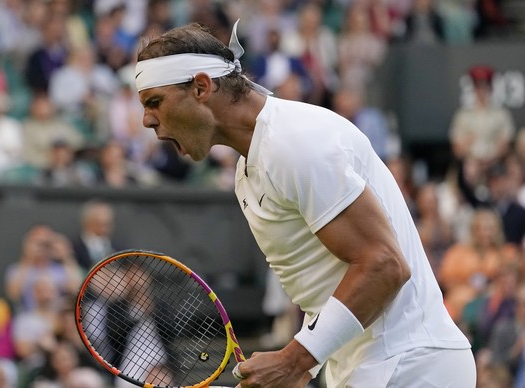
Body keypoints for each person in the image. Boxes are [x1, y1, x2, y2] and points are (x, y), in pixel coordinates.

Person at [133, 20, 475, 388]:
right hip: (366, 368)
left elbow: (385, 265)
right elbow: (324, 289)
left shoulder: (295, 142)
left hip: (411, 365)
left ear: (201, 87)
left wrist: (295, 360)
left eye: (155, 102)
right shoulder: (248, 173)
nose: (147, 119)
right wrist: (302, 367)